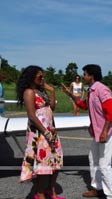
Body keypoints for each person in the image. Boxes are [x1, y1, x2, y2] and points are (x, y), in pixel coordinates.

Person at [61, 64, 112, 199]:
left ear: (92, 76)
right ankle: (97, 188)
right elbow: (83, 105)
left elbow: (111, 112)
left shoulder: (102, 89)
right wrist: (69, 94)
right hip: (98, 132)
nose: (83, 76)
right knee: (92, 159)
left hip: (108, 131)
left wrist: (104, 131)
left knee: (104, 164)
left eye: (85, 74)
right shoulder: (91, 90)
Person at [16, 65, 64, 199]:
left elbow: (52, 107)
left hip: (50, 130)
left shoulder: (41, 91)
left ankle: (50, 191)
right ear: (31, 77)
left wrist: (52, 91)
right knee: (43, 165)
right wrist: (45, 132)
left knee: (55, 161)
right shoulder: (29, 92)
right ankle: (40, 194)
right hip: (39, 133)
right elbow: (32, 115)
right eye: (39, 76)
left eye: (43, 76)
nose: (42, 78)